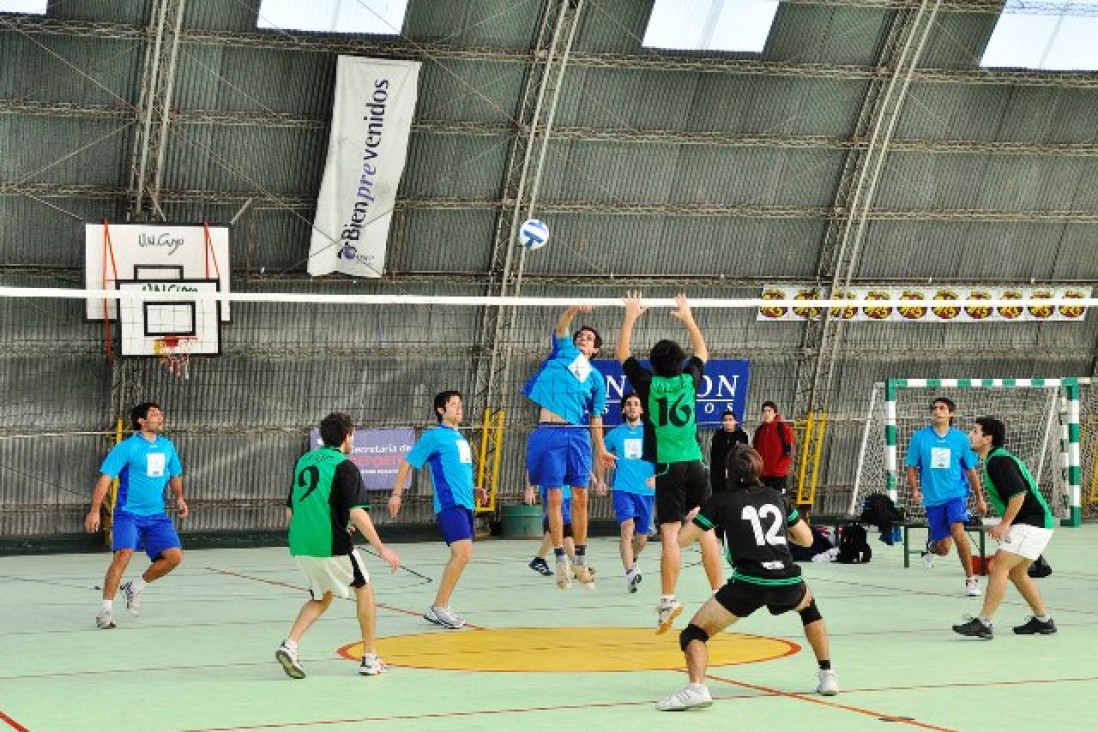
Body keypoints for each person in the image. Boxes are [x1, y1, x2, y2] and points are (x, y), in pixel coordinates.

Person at [656, 445, 838, 711]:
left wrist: (694, 518)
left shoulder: (721, 500)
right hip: (786, 581)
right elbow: (807, 539)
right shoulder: (777, 497)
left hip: (748, 584)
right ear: (759, 469)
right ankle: (827, 675)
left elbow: (681, 541)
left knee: (694, 633)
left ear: (728, 471)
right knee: (810, 609)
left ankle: (696, 688)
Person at [617, 291, 723, 633]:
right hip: (695, 462)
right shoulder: (689, 380)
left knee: (671, 534)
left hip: (668, 466)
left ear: (653, 364)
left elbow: (622, 355)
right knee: (706, 528)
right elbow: (702, 352)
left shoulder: (648, 385)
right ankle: (719, 593)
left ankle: (667, 599)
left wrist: (632, 315)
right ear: (680, 363)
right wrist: (688, 316)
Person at [277, 412, 400, 679]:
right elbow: (357, 512)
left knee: (321, 596)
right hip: (330, 544)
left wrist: (331, 522)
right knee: (364, 587)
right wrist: (381, 548)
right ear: (347, 436)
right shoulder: (345, 466)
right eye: (352, 434)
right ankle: (370, 658)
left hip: (300, 543)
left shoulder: (304, 461)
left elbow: (291, 511)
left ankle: (290, 645)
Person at [523, 305, 613, 589]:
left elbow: (596, 418)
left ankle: (581, 559)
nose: (582, 338)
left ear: (595, 350)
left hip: (576, 434)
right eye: (581, 336)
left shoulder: (597, 379)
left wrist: (601, 449)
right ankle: (560, 558)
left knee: (581, 497)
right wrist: (574, 309)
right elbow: (562, 325)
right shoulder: (563, 350)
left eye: (589, 338)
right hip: (548, 432)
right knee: (553, 498)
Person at [84, 402, 188, 630]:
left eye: (161, 414)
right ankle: (106, 610)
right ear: (141, 421)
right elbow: (105, 479)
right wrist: (94, 510)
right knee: (123, 555)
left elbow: (175, 474)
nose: (160, 418)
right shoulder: (126, 447)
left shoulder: (168, 447)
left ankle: (135, 587)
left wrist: (180, 497)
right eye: (154, 414)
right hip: (128, 513)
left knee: (174, 557)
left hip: (156, 515)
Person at [952, 417, 1057, 640]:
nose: (970, 434)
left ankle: (984, 622)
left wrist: (1003, 525)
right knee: (1018, 573)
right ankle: (1043, 620)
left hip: (1032, 522)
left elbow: (1018, 494)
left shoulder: (998, 461)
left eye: (975, 431)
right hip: (1037, 523)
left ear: (987, 439)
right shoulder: (995, 459)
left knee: (998, 566)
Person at [390, 391, 486, 628]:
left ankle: (440, 605)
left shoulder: (460, 439)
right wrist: (396, 494)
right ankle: (439, 607)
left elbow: (457, 473)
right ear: (441, 410)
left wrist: (474, 490)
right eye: (454, 405)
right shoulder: (434, 436)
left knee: (463, 555)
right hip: (449, 503)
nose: (459, 408)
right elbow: (407, 463)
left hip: (466, 503)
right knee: (462, 552)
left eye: (461, 404)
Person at [905, 397, 988, 597]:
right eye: (934, 408)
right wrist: (915, 490)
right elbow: (911, 467)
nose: (937, 411)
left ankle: (971, 580)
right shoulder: (920, 438)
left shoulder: (960, 439)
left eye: (942, 408)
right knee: (944, 548)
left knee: (958, 532)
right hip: (933, 499)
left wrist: (979, 497)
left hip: (956, 495)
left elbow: (970, 471)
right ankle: (931, 549)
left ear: (951, 413)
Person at [597, 391, 656, 593]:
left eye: (635, 403)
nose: (632, 407)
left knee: (641, 539)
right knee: (626, 527)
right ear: (623, 409)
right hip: (623, 489)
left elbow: (664, 457)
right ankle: (630, 571)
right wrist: (601, 481)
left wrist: (657, 477)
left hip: (646, 491)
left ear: (641, 409)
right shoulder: (616, 433)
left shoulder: (650, 432)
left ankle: (634, 557)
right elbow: (601, 454)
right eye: (628, 404)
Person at [709, 407, 749, 545]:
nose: (727, 422)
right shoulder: (718, 435)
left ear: (735, 421)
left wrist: (737, 471)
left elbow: (745, 456)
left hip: (736, 475)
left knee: (735, 501)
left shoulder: (742, 436)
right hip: (718, 475)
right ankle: (719, 530)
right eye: (725, 420)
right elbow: (714, 456)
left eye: (730, 420)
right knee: (720, 501)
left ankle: (736, 529)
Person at [526, 483, 577, 577]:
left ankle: (539, 559)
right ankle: (577, 564)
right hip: (551, 489)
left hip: (565, 491)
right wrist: (530, 489)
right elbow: (530, 468)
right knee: (565, 527)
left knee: (554, 527)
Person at [752, 401, 795, 493]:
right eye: (764, 411)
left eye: (769, 411)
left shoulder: (783, 428)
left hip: (778, 475)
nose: (766, 414)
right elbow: (754, 451)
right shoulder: (759, 430)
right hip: (762, 474)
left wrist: (780, 468)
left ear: (775, 413)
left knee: (777, 501)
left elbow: (790, 451)